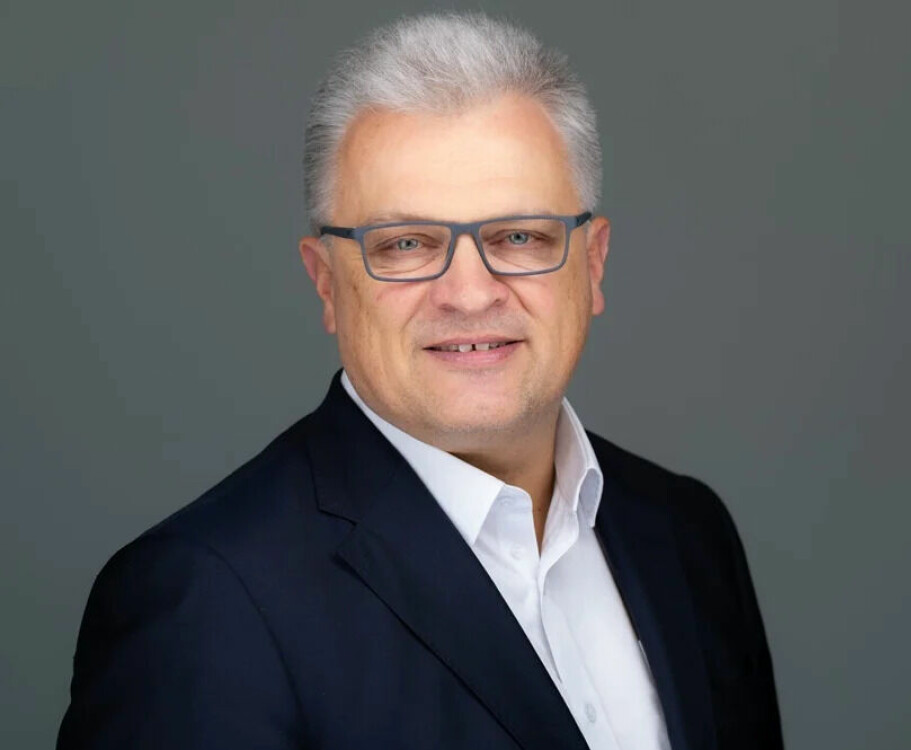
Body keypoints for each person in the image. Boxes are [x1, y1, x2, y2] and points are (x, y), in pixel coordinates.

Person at [57, 11, 783, 750]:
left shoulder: (687, 536)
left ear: (592, 264)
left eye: (520, 236)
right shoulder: (207, 603)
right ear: (325, 283)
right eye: (405, 244)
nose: (469, 293)